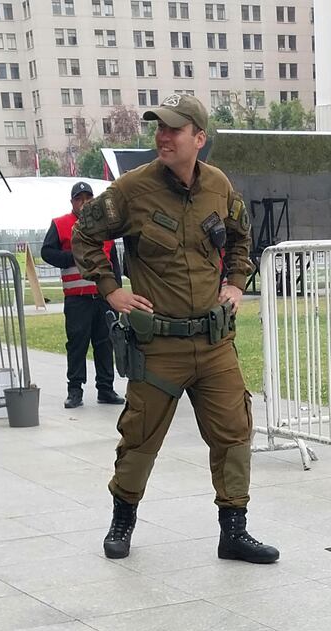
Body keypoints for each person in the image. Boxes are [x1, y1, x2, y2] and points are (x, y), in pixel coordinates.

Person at [71, 94, 277, 564]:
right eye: (159, 128)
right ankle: (122, 522)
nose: (162, 137)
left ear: (199, 138)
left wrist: (235, 282)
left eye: (173, 129)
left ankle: (234, 531)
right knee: (139, 440)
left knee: (234, 435)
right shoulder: (131, 190)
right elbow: (84, 235)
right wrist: (111, 290)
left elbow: (241, 236)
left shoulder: (218, 186)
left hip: (214, 342)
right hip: (158, 347)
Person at [40, 180, 123, 410]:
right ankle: (75, 390)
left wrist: (116, 290)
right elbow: (47, 252)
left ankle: (105, 388)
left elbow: (113, 262)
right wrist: (71, 257)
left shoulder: (105, 226)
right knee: (77, 344)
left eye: (88, 198)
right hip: (77, 298)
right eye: (79, 199)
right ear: (72, 202)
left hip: (104, 297)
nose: (84, 203)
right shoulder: (60, 224)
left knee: (105, 343)